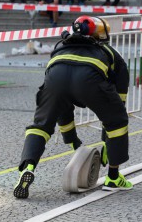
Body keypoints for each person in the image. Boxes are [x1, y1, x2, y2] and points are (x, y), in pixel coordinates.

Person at [13, 15, 133, 199]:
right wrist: (108, 136)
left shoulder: (60, 47)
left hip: (55, 80)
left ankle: (27, 167)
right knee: (117, 123)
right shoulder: (108, 51)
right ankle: (113, 178)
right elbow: (119, 98)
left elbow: (63, 108)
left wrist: (73, 142)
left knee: (40, 126)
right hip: (90, 81)